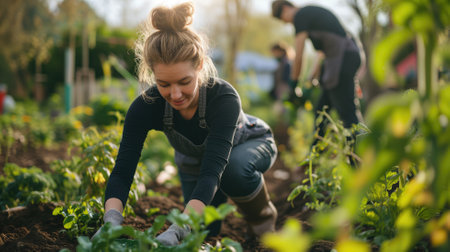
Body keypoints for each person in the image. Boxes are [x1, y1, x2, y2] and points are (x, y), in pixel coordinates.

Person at [94, 2, 278, 246]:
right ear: (152, 74)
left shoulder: (223, 98)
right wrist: (111, 222)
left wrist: (178, 227)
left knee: (233, 171)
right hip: (194, 160)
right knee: (205, 230)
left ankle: (264, 225)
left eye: (184, 81)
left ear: (200, 65)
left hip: (248, 143)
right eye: (164, 84)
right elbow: (123, 169)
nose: (176, 94)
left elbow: (213, 171)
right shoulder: (145, 106)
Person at [271, 0, 364, 149]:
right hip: (340, 59)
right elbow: (320, 54)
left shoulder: (300, 15)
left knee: (347, 114)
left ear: (286, 8)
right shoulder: (310, 15)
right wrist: (310, 78)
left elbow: (299, 54)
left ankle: (362, 159)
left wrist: (294, 84)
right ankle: (313, 160)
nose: (287, 23)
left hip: (343, 59)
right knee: (321, 113)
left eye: (283, 19)